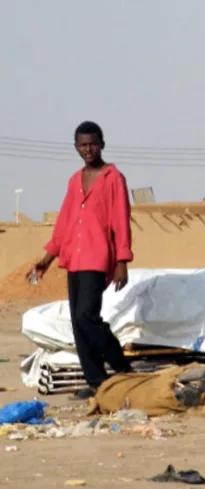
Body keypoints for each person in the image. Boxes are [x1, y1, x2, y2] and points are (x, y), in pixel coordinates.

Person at [26, 121, 134, 400]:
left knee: (88, 316)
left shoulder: (113, 177)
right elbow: (64, 223)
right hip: (73, 257)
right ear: (76, 147)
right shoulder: (75, 180)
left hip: (97, 257)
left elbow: (121, 219)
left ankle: (122, 367)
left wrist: (122, 259)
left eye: (93, 144)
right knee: (77, 321)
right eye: (83, 145)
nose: (88, 149)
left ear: (102, 144)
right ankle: (96, 380)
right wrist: (47, 259)